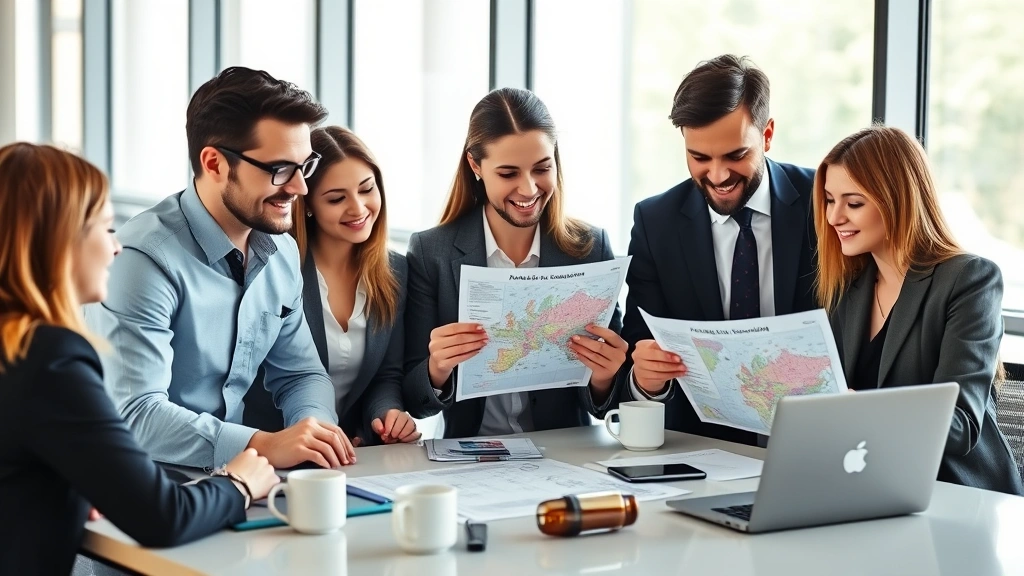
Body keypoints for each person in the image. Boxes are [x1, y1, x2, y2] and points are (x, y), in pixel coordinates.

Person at [0, 143, 280, 575]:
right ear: (58, 239)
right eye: (106, 228)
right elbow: (162, 517)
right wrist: (240, 481)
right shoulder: (48, 357)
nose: (115, 249)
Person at [85, 66, 356, 470]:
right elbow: (136, 414)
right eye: (280, 169)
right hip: (139, 484)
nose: (300, 187)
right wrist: (265, 446)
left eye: (305, 166)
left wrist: (312, 432)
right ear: (214, 163)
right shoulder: (142, 260)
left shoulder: (281, 253)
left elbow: (301, 374)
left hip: (235, 479)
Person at [403, 87, 628, 438]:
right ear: (475, 165)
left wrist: (604, 376)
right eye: (508, 174)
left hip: (565, 453)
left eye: (542, 168)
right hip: (471, 455)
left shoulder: (590, 247)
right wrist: (437, 367)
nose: (528, 189)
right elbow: (416, 400)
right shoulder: (432, 252)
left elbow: (608, 402)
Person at [619, 54, 818, 446]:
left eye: (735, 155)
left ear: (768, 134)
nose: (718, 175)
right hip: (702, 449)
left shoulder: (824, 204)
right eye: (699, 157)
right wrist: (646, 376)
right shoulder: (655, 222)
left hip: (816, 440)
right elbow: (638, 347)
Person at [815, 125, 1023, 495]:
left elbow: (959, 428)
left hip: (956, 495)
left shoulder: (969, 280)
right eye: (830, 200)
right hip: (872, 485)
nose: (834, 217)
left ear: (898, 200)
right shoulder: (850, 289)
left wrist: (860, 409)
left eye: (854, 202)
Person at [244, 126, 420, 445]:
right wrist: (316, 434)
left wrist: (387, 417)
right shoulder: (277, 268)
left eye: (367, 189)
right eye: (337, 198)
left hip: (352, 449)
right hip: (273, 446)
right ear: (307, 204)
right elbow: (258, 378)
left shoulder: (396, 270)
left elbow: (385, 376)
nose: (358, 208)